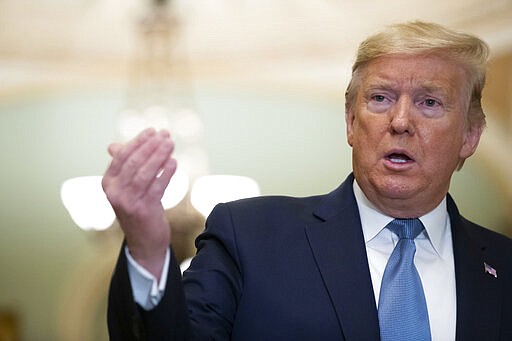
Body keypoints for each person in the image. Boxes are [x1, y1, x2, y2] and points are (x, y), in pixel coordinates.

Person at [104, 21, 512, 341]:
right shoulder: (249, 236)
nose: (401, 122)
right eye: (380, 98)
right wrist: (147, 248)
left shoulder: (504, 266)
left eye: (430, 102)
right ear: (351, 121)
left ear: (470, 136)